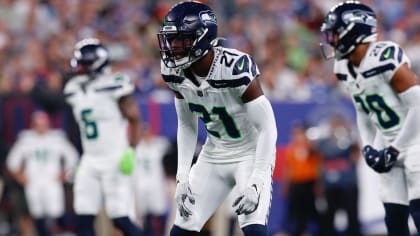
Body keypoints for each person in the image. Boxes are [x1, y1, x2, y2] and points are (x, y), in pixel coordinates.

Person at [157, 2, 278, 236]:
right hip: (214, 153)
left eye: (180, 39)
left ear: (201, 38)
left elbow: (267, 128)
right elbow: (187, 124)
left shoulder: (234, 67)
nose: (173, 46)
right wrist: (182, 177)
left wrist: (257, 180)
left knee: (253, 229)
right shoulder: (172, 70)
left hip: (250, 153)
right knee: (181, 230)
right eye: (170, 39)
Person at [320, 1, 420, 235]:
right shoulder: (343, 67)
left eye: (335, 34)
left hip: (415, 140)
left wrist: (396, 148)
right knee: (394, 220)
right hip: (389, 142)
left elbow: (418, 106)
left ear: (354, 31)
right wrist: (367, 147)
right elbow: (363, 112)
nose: (331, 40)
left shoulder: (385, 57)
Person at [63, 38, 143, 236]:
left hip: (115, 158)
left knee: (120, 218)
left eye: (84, 63)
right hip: (90, 160)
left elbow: (135, 119)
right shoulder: (73, 88)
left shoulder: (115, 84)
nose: (79, 67)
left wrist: (131, 151)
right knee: (83, 217)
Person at [6, 111, 78, 236]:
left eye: (44, 124)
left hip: (52, 181)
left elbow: (73, 158)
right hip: (33, 181)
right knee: (37, 213)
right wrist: (19, 175)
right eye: (38, 124)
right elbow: (12, 161)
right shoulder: (26, 140)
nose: (41, 128)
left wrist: (65, 173)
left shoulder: (57, 139)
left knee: (56, 211)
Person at [317, 115, 362, 236]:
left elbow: (356, 155)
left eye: (338, 124)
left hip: (348, 184)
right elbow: (320, 160)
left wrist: (349, 133)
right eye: (333, 124)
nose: (336, 127)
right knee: (329, 215)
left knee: (352, 214)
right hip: (330, 185)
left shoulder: (349, 140)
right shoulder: (324, 142)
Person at [283, 124, 322, 236]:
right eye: (295, 134)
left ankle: (313, 231)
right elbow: (288, 169)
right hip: (296, 184)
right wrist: (286, 185)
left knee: (312, 210)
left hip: (309, 183)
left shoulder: (311, 148)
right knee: (296, 212)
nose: (297, 136)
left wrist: (319, 184)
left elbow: (318, 167)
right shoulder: (290, 149)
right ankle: (298, 231)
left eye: (299, 133)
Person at [134, 124, 171, 236]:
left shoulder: (160, 145)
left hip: (157, 186)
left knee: (159, 214)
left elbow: (172, 149)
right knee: (145, 218)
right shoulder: (137, 148)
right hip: (142, 187)